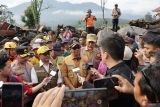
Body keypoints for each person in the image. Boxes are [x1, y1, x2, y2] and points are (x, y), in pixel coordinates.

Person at [91, 32, 136, 107]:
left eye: (101, 52)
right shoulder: (125, 68)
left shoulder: (115, 78)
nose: (99, 55)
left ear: (105, 55)